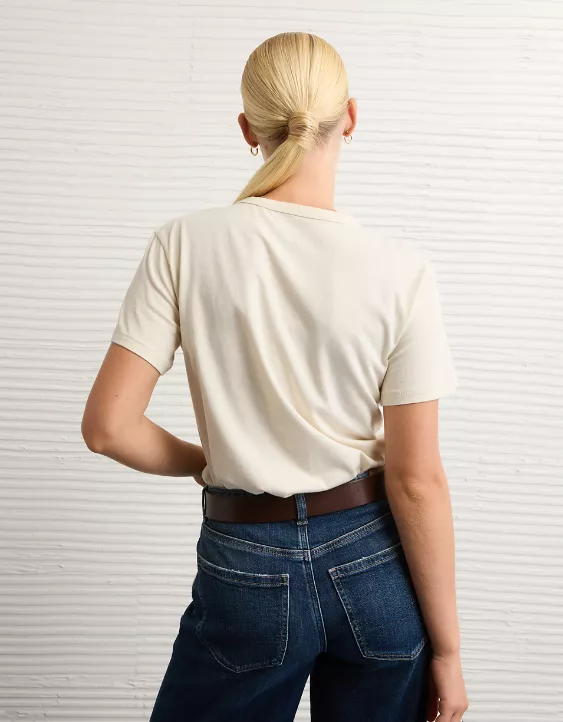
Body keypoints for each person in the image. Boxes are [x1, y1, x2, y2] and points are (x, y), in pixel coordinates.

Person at [82, 31, 469, 722]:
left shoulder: (184, 243)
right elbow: (417, 479)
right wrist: (448, 652)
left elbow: (109, 428)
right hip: (373, 561)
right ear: (350, 117)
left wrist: (207, 461)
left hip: (245, 562)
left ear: (247, 129)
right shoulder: (401, 271)